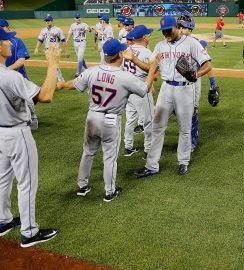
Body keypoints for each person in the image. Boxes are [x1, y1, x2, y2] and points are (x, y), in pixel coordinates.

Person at [57, 39, 158, 202]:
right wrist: (152, 68)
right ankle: (109, 192)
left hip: (92, 117)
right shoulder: (125, 76)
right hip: (111, 121)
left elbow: (74, 85)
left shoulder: (91, 71)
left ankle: (82, 186)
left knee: (88, 152)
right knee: (109, 158)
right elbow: (145, 89)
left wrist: (62, 84)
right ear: (119, 55)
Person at [0, 28, 59, 248]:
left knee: (3, 179)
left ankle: (3, 221)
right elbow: (46, 96)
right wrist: (53, 64)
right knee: (27, 183)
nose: (11, 43)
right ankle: (29, 232)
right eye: (6, 40)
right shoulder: (10, 76)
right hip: (16, 133)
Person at [135, 15, 211, 177]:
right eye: (163, 31)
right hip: (166, 89)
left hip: (185, 89)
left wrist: (196, 74)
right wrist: (139, 62)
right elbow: (152, 67)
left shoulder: (191, 43)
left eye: (169, 30)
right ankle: (152, 165)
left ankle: (183, 161)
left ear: (177, 27)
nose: (166, 34)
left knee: (184, 128)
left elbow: (207, 65)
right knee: (157, 127)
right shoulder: (160, 45)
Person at [177, 13, 219, 152]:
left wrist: (212, 82)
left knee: (193, 111)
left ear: (190, 29)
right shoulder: (172, 43)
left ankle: (192, 140)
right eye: (179, 27)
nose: (181, 30)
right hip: (175, 84)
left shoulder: (197, 44)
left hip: (193, 83)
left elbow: (206, 65)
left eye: (184, 27)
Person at [122, 25, 155, 160]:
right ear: (143, 37)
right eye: (148, 34)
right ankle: (148, 151)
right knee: (149, 121)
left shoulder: (126, 50)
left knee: (130, 119)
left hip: (127, 90)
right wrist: (151, 84)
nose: (149, 36)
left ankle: (128, 147)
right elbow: (153, 72)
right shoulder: (147, 52)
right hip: (141, 89)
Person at [0, 18, 38, 131]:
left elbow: (22, 58)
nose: (1, 28)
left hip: (19, 76)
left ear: (7, 27)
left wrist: (8, 69)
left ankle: (33, 120)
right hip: (4, 79)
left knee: (29, 101)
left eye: (2, 26)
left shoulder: (17, 41)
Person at [34, 14, 70, 81]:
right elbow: (40, 40)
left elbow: (63, 41)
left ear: (52, 21)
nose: (47, 22)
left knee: (53, 64)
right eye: (46, 21)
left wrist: (67, 50)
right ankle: (59, 79)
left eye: (48, 20)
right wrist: (37, 48)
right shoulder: (43, 30)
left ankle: (58, 79)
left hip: (55, 50)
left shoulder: (58, 30)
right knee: (53, 65)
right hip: (47, 50)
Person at [66, 13, 90, 78]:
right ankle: (86, 69)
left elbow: (88, 30)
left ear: (80, 18)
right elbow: (70, 33)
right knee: (80, 57)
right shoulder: (72, 25)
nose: (78, 19)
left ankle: (78, 72)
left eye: (79, 17)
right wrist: (67, 40)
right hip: (75, 43)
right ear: (74, 19)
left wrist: (89, 29)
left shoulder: (84, 24)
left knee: (79, 57)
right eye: (76, 18)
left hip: (82, 42)